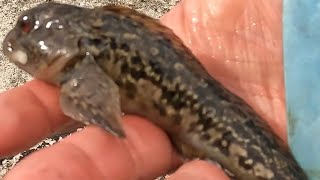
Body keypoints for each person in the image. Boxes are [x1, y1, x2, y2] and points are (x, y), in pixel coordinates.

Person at [0, 0, 284, 179]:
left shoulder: (85, 58)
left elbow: (96, 104)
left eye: (27, 27)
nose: (15, 38)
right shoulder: (98, 32)